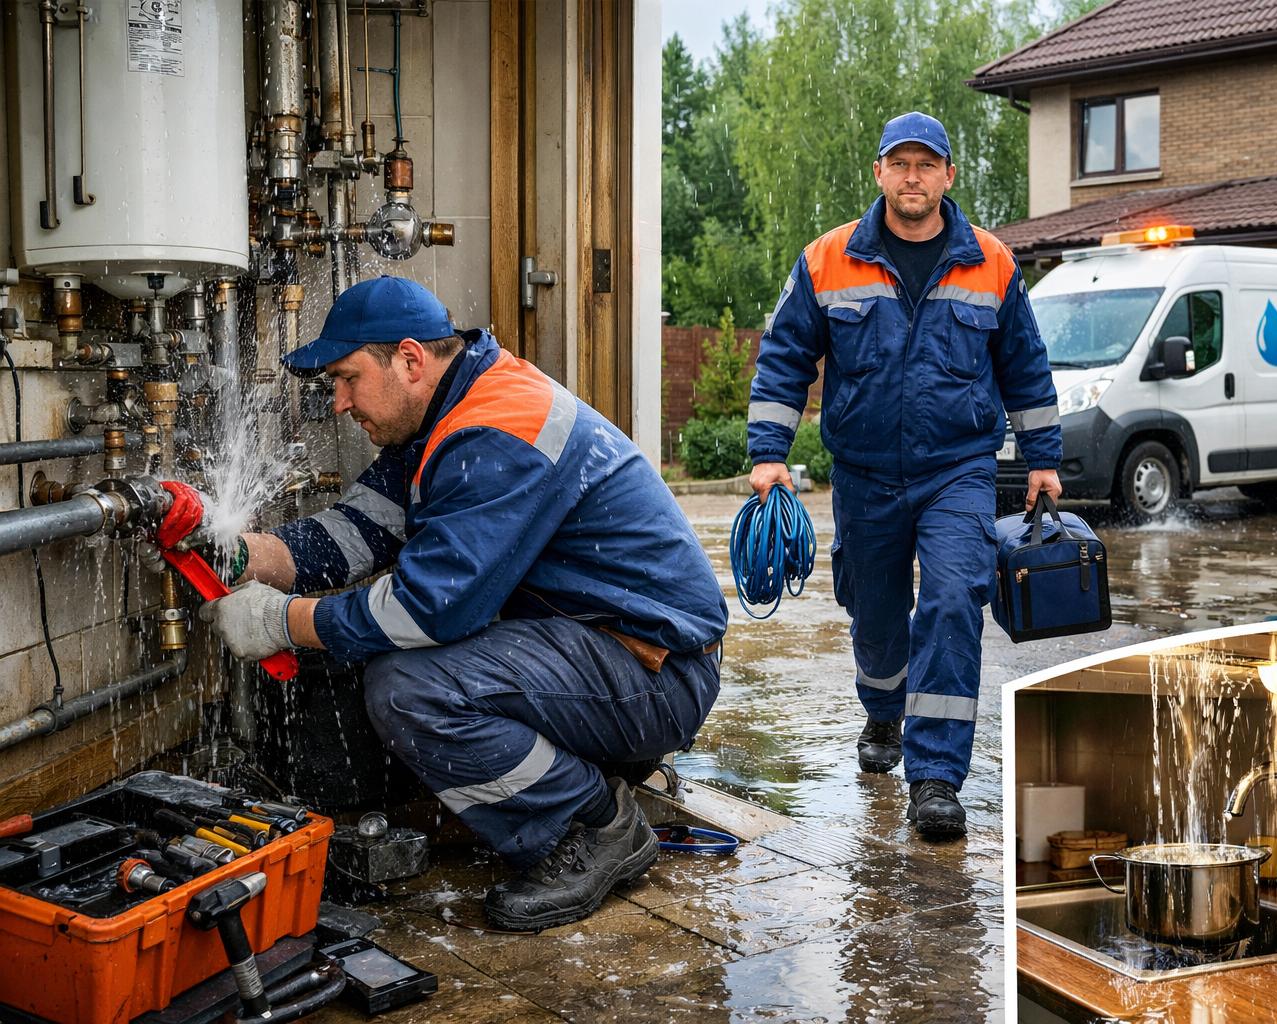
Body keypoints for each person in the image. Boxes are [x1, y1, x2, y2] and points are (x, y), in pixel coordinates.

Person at [192, 276, 729, 930]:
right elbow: (355, 535)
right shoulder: (448, 410)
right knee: (396, 659)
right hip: (603, 651)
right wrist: (242, 555)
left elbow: (428, 610)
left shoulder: (497, 429)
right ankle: (581, 779)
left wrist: (282, 621)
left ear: (410, 360)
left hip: (654, 674)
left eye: (348, 377)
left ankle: (590, 825)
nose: (338, 402)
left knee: (408, 688)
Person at [746, 112, 1062, 838]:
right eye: (901, 163)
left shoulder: (993, 263)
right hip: (864, 473)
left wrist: (1044, 460)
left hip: (958, 468)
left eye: (928, 164)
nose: (913, 176)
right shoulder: (827, 260)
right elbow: (785, 357)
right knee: (878, 616)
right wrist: (769, 453)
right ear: (880, 172)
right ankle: (884, 712)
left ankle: (936, 778)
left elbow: (1026, 366)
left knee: (954, 600)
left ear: (949, 175)